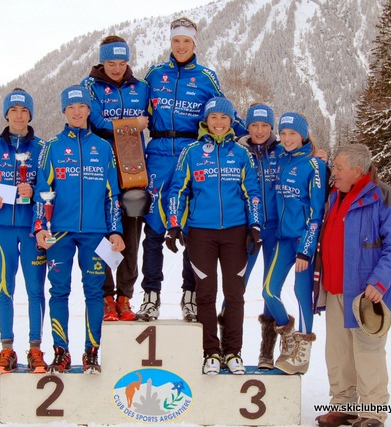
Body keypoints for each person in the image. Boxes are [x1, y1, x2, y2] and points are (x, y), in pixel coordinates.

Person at [138, 16, 246, 322]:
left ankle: (190, 294)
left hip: (193, 154)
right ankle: (151, 295)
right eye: (176, 41)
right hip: (158, 154)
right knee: (155, 227)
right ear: (170, 43)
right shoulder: (155, 75)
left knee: (190, 228)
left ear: (195, 44)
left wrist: (253, 137)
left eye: (187, 41)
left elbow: (223, 115)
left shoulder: (206, 77)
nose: (181, 46)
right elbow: (134, 110)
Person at [314, 144, 391, 427]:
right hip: (335, 288)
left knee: (368, 352)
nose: (334, 173)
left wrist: (379, 282)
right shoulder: (334, 195)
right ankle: (343, 406)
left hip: (367, 295)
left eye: (339, 168)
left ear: (358, 171)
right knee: (338, 352)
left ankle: (372, 413)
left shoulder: (384, 197)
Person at [165, 97, 261, 375]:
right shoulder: (191, 152)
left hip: (235, 232)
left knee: (235, 295)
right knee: (205, 295)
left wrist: (254, 226)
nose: (219, 123)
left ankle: (233, 352)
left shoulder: (242, 154)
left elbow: (251, 193)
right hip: (201, 234)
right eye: (214, 118)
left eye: (224, 118)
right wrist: (174, 225)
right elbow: (178, 190)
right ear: (205, 121)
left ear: (232, 122)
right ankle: (210, 353)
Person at [33, 85, 125, 374]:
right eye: (71, 107)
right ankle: (61, 352)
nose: (76, 112)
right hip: (59, 232)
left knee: (94, 293)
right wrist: (39, 227)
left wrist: (115, 230)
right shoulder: (52, 147)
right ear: (64, 111)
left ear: (88, 110)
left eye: (81, 107)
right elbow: (41, 191)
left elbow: (113, 194)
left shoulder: (103, 147)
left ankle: (92, 352)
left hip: (95, 233)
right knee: (59, 291)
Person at [0, 88, 48, 373]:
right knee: (5, 289)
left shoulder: (42, 147)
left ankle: (36, 348)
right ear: (6, 114)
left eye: (24, 111)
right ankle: (6, 349)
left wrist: (35, 188)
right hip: (2, 228)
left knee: (35, 290)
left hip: (31, 228)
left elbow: (52, 185)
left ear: (30, 115)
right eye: (14, 110)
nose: (19, 115)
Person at [81, 35, 150, 322]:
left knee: (132, 238)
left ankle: (125, 297)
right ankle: (107, 296)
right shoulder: (89, 87)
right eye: (111, 62)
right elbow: (95, 122)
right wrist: (131, 124)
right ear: (102, 61)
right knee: (104, 236)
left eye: (122, 62)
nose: (117, 68)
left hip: (135, 173)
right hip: (101, 172)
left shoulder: (142, 88)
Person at [265, 112, 327, 375]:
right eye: (284, 133)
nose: (287, 138)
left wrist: (306, 250)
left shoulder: (315, 165)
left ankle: (302, 352)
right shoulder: (280, 157)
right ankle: (287, 334)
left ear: (303, 135)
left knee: (302, 295)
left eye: (293, 133)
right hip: (283, 238)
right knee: (269, 292)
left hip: (304, 242)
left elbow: (316, 213)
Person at [222, 103, 281, 369]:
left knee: (272, 289)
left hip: (276, 230)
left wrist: (320, 157)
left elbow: (305, 163)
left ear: (272, 128)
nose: (259, 131)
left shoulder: (282, 152)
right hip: (246, 229)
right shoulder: (237, 151)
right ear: (247, 126)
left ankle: (266, 350)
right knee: (236, 286)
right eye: (255, 125)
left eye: (265, 126)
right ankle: (226, 345)